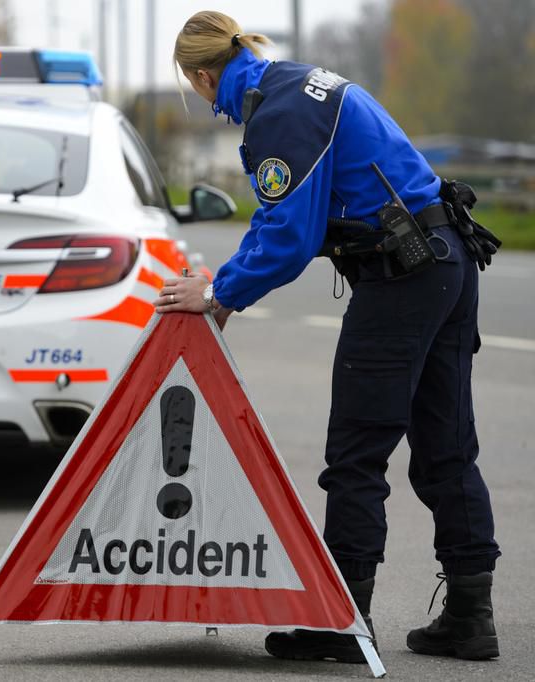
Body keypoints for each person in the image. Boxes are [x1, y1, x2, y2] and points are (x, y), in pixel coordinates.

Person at [156, 10, 501, 663]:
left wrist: (219, 294)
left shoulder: (279, 114)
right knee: (446, 447)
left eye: (195, 88)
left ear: (201, 77)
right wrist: (226, 287)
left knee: (355, 454)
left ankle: (342, 622)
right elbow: (278, 215)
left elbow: (292, 237)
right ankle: (470, 615)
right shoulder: (293, 84)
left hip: (402, 274)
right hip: (447, 259)